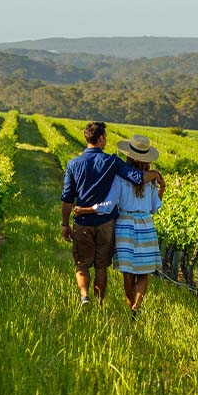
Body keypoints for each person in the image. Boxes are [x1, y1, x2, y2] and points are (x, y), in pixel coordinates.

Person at [61, 123, 162, 308]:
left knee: (83, 265)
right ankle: (102, 304)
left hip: (93, 222)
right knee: (102, 267)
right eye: (105, 136)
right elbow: (140, 181)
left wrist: (65, 223)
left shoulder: (73, 164)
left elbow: (68, 198)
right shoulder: (112, 162)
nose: (106, 140)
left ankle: (85, 297)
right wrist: (155, 174)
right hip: (117, 224)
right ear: (100, 138)